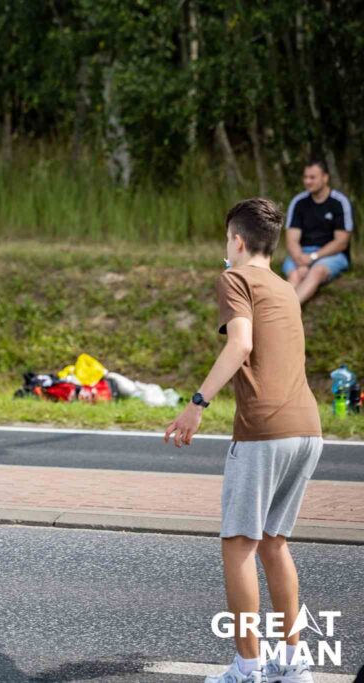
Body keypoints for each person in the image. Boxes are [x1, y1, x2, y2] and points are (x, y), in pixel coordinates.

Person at [164, 198, 322, 683]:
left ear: (237, 241)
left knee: (239, 546)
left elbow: (241, 343)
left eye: (226, 241)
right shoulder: (285, 287)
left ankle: (248, 668)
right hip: (308, 430)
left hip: (264, 432)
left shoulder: (235, 279)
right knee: (274, 543)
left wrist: (196, 403)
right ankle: (293, 664)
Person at [283, 160, 354, 304]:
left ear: (325, 178)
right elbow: (291, 240)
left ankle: (286, 314)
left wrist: (313, 258)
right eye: (305, 177)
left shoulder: (339, 202)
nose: (307, 181)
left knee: (316, 271)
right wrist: (300, 260)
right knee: (295, 275)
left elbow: (341, 242)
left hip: (332, 255)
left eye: (312, 177)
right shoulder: (298, 202)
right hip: (301, 254)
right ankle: (280, 317)